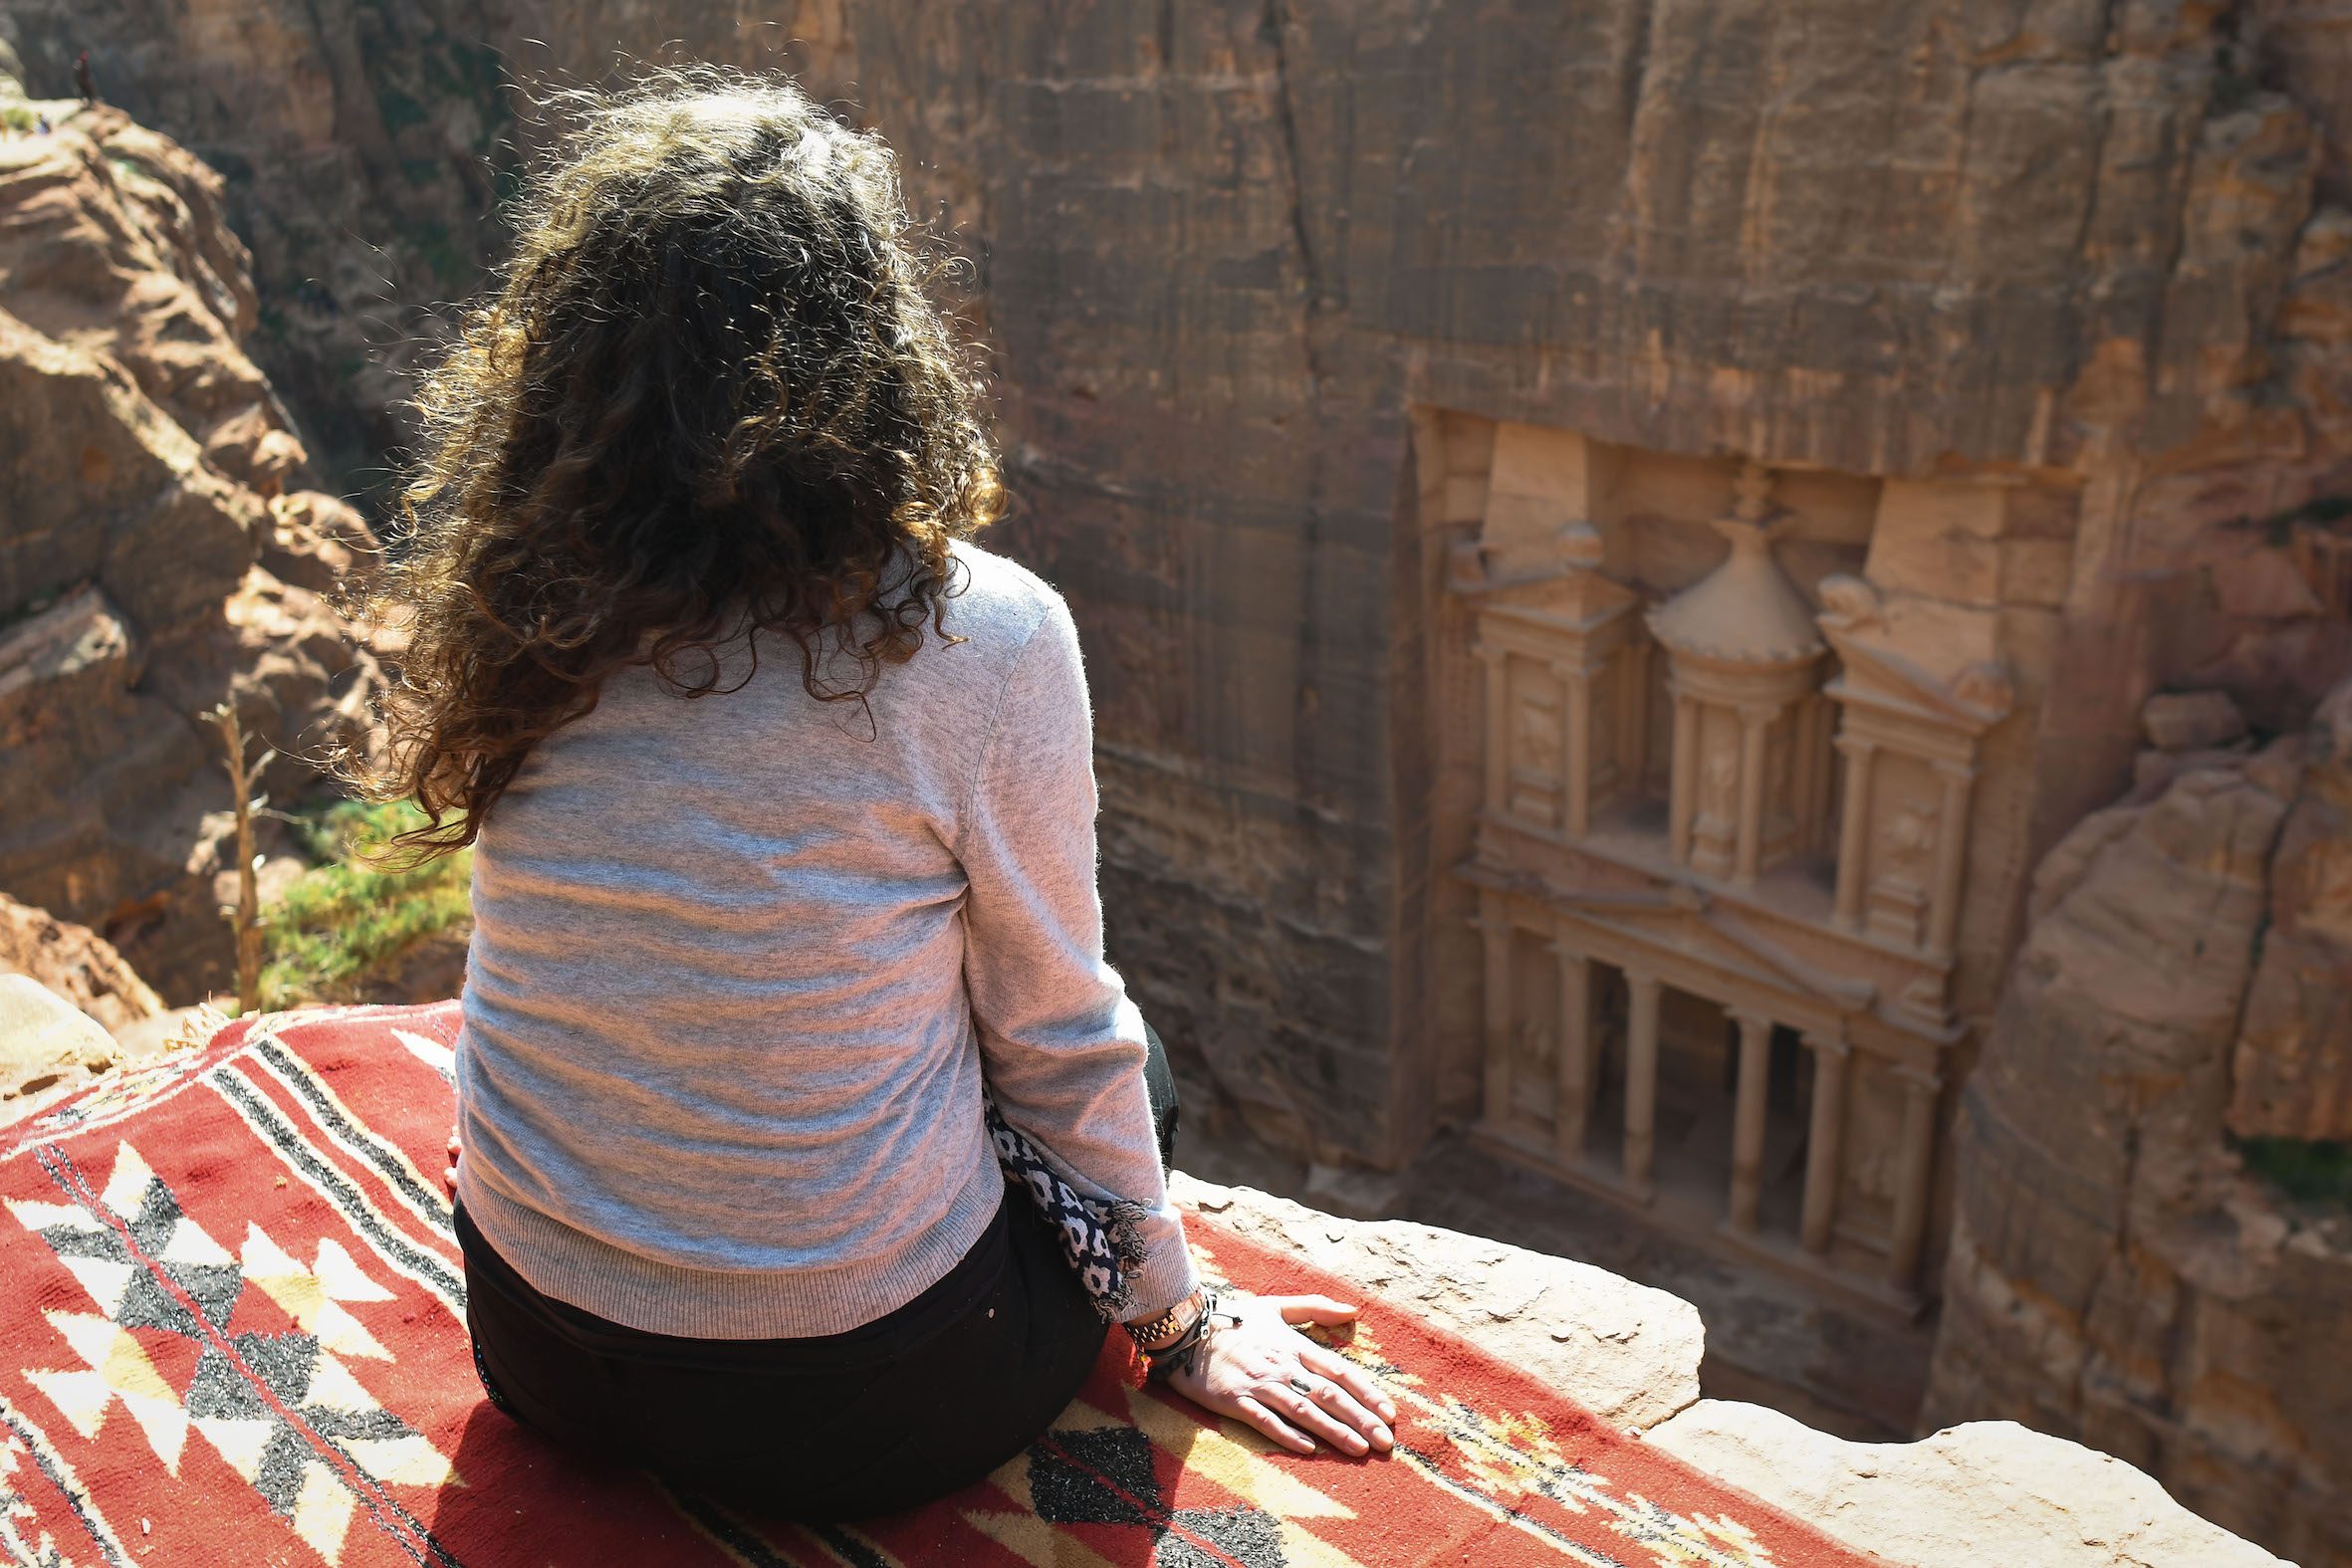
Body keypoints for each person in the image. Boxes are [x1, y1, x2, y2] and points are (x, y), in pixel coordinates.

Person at [352, 69, 1395, 1520]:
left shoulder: (529, 601)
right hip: (856, 1409)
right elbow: (1052, 1038)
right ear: (867, 344)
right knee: (1127, 1067)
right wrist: (1174, 1319)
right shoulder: (979, 635)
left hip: (535, 1343)